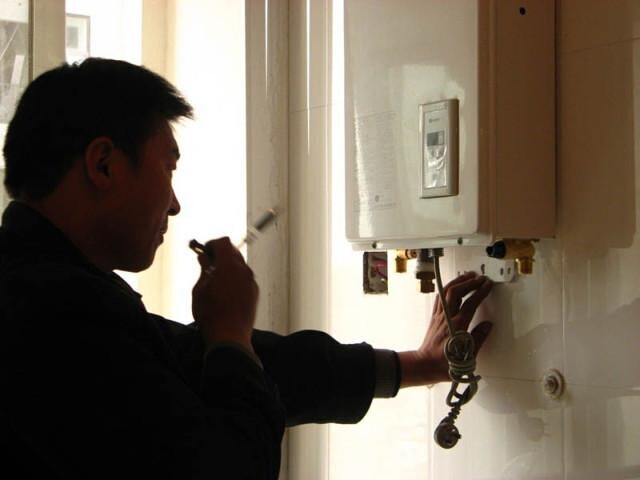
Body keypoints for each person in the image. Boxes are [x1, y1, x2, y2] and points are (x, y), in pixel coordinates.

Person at [0, 58, 493, 479]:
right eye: (169, 167)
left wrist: (416, 365)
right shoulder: (51, 318)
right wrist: (229, 336)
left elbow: (242, 367)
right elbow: (231, 463)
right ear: (104, 164)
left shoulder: (49, 287)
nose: (174, 204)